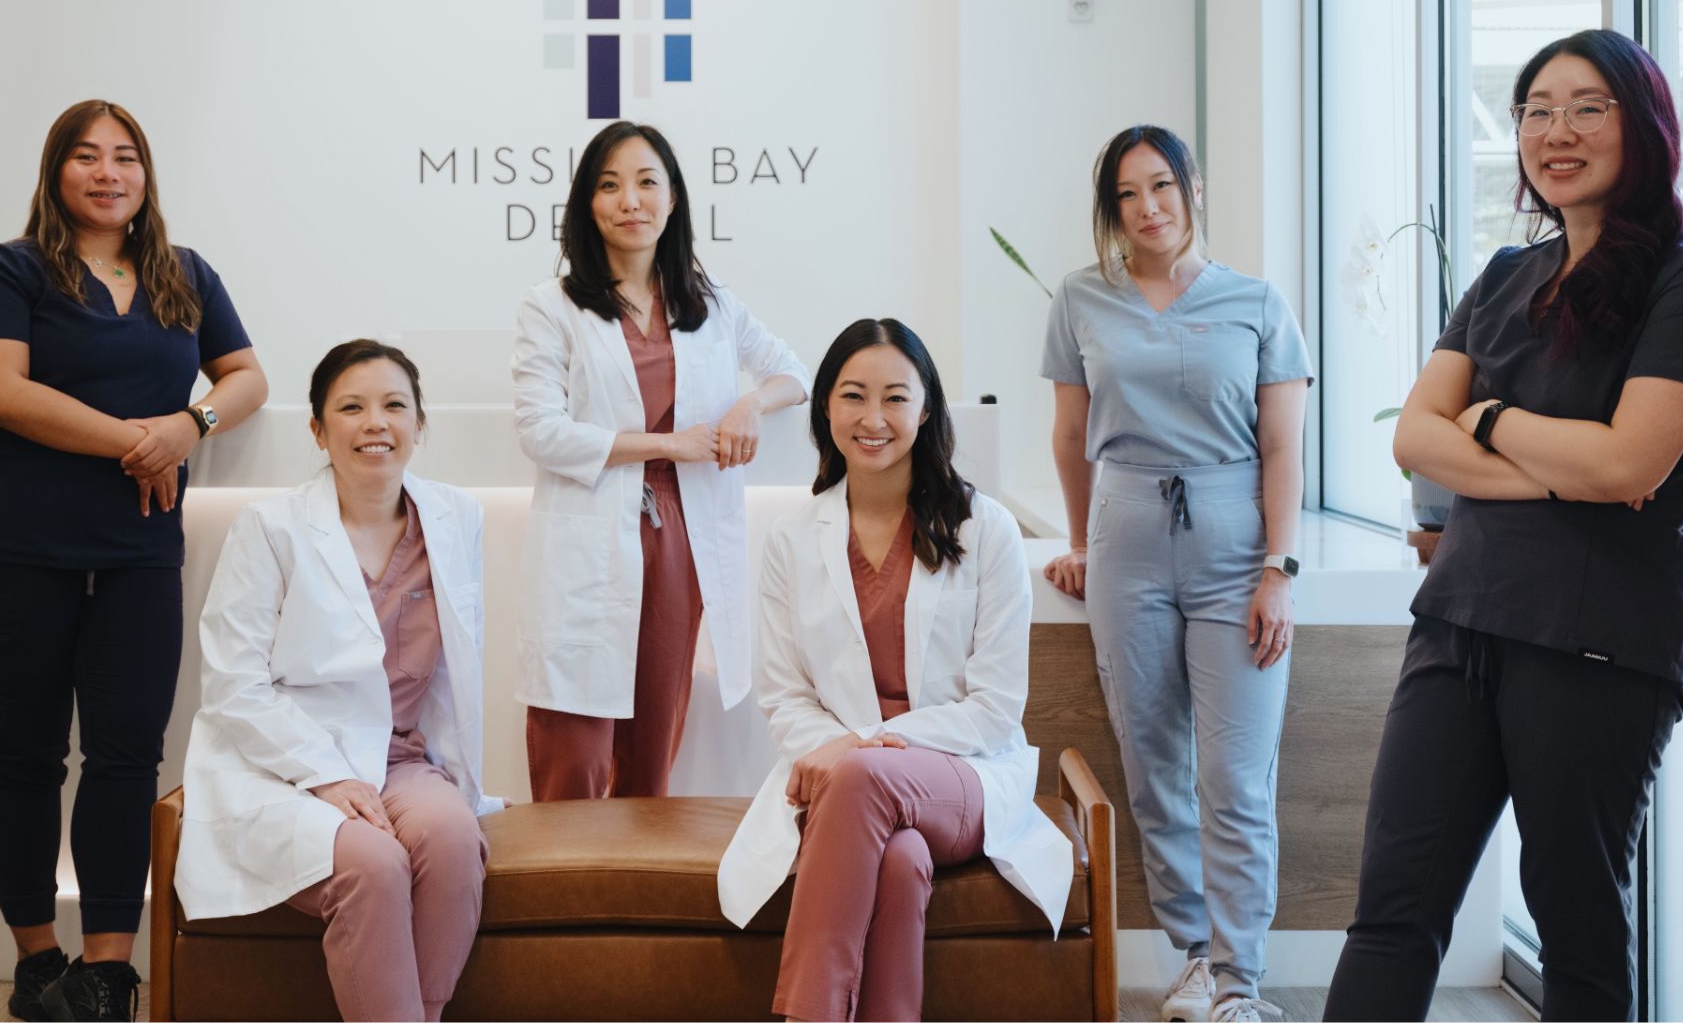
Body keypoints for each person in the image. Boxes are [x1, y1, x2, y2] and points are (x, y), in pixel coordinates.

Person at [1325, 29, 1683, 1023]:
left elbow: (1629, 463)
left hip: (1596, 642)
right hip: (1458, 623)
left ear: (1644, 125)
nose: (1558, 131)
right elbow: (1416, 438)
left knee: (1577, 932)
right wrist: (1566, 474)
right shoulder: (1508, 272)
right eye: (1536, 110)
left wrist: (1491, 420)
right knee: (1392, 912)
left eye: (1588, 107)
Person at [0, 100, 266, 1022]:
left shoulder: (183, 273)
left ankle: (105, 972)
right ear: (56, 172)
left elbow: (247, 376)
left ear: (145, 175)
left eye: (125, 157)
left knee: (127, 754)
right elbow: (1, 392)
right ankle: (36, 959)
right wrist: (140, 440)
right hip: (14, 544)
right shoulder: (8, 268)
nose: (107, 172)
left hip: (137, 549)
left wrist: (189, 424)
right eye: (85, 156)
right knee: (26, 751)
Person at [717, 318, 1073, 1022]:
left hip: (965, 774)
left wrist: (862, 749)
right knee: (901, 858)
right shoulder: (792, 538)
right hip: (850, 794)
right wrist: (850, 753)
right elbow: (786, 695)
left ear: (926, 408)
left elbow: (994, 707)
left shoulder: (986, 529)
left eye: (895, 398)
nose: (873, 418)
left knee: (862, 778)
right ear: (825, 406)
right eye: (853, 395)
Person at [1040, 125, 1312, 1023]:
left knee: (1234, 774)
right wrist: (1079, 540)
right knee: (1152, 761)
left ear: (1192, 187)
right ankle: (1195, 956)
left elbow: (1283, 449)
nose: (1147, 207)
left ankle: (1240, 981)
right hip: (1126, 537)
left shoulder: (1257, 301)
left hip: (1235, 539)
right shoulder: (1082, 297)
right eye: (1126, 194)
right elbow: (1070, 436)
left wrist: (1277, 568)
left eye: (1161, 185)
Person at [177, 340, 495, 1022]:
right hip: (282, 765)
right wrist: (324, 774)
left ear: (419, 424)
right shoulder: (270, 527)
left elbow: (456, 669)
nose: (375, 422)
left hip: (400, 758)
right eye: (351, 407)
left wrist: (447, 773)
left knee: (451, 840)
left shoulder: (456, 517)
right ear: (319, 430)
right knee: (374, 865)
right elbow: (234, 683)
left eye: (394, 405)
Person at [511, 120, 810, 801]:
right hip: (590, 524)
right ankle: (564, 869)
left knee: (653, 740)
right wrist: (668, 444)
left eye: (647, 182)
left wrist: (750, 404)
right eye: (609, 185)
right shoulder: (552, 307)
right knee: (574, 741)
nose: (630, 200)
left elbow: (793, 373)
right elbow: (539, 430)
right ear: (587, 204)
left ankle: (637, 868)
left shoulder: (710, 302)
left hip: (681, 531)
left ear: (673, 199)